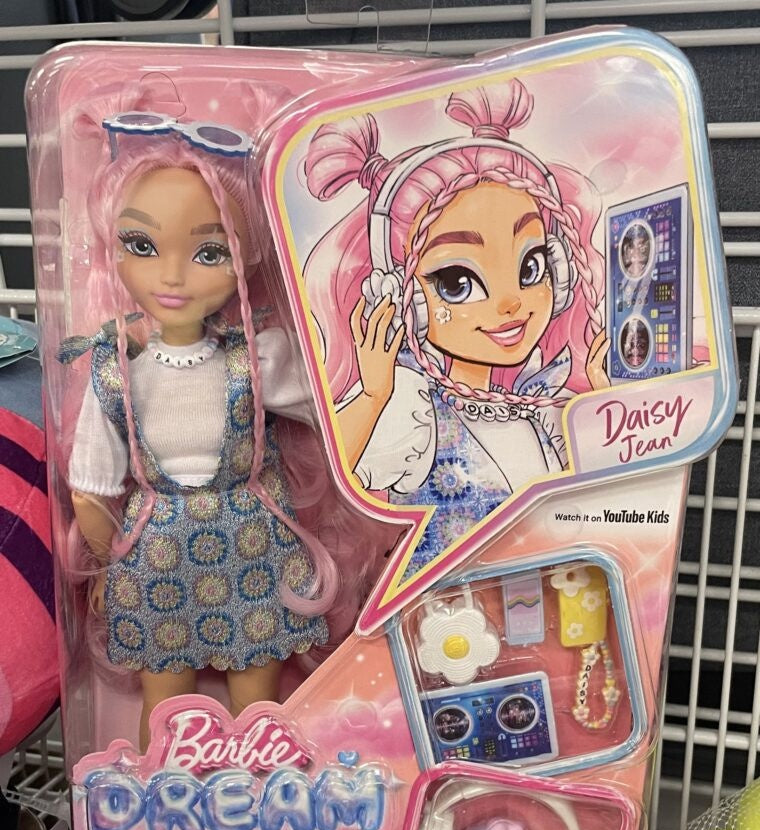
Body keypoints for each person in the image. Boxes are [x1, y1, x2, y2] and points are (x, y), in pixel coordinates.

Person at [60, 111, 379, 750]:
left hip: (251, 547)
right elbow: (90, 487)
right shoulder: (115, 371)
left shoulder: (256, 360)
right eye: (142, 245)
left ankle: (254, 788)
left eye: (209, 253)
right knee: (166, 708)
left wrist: (374, 379)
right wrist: (106, 566)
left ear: (245, 258)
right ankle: (163, 792)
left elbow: (336, 415)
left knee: (254, 705)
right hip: (159, 556)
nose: (172, 277)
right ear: (113, 249)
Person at [304, 80, 610, 576]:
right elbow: (329, 485)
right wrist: (374, 394)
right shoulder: (413, 412)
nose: (510, 303)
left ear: (559, 270)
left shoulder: (541, 405)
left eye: (531, 266)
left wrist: (599, 400)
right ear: (406, 299)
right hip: (437, 610)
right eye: (457, 282)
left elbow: (598, 507)